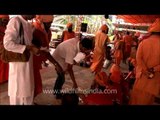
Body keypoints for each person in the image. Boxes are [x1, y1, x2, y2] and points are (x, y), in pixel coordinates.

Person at [3, 15, 39, 105]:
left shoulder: (27, 24)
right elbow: (7, 44)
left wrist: (33, 49)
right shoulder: (16, 21)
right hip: (18, 67)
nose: (35, 15)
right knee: (17, 95)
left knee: (28, 92)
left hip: (27, 65)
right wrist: (28, 48)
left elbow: (28, 43)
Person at [129, 18, 160, 105]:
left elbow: (139, 59)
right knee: (147, 101)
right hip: (153, 81)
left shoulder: (143, 42)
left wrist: (146, 70)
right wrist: (153, 70)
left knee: (135, 99)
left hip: (141, 77)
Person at [32, 15, 61, 97]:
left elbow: (45, 49)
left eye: (51, 23)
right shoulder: (36, 30)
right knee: (32, 83)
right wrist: (56, 64)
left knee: (35, 83)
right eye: (48, 23)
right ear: (42, 21)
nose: (50, 25)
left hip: (38, 59)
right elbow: (44, 51)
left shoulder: (47, 31)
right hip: (32, 60)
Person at [90, 24, 110, 88]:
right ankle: (95, 81)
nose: (107, 31)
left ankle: (95, 78)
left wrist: (92, 49)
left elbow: (93, 41)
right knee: (98, 68)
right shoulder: (105, 36)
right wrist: (106, 54)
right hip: (101, 52)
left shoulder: (97, 33)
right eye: (107, 29)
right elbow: (105, 46)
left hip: (96, 51)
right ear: (105, 29)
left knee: (95, 64)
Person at [0, 15, 9, 84]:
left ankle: (4, 78)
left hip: (5, 49)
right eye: (4, 20)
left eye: (6, 20)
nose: (5, 22)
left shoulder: (7, 27)